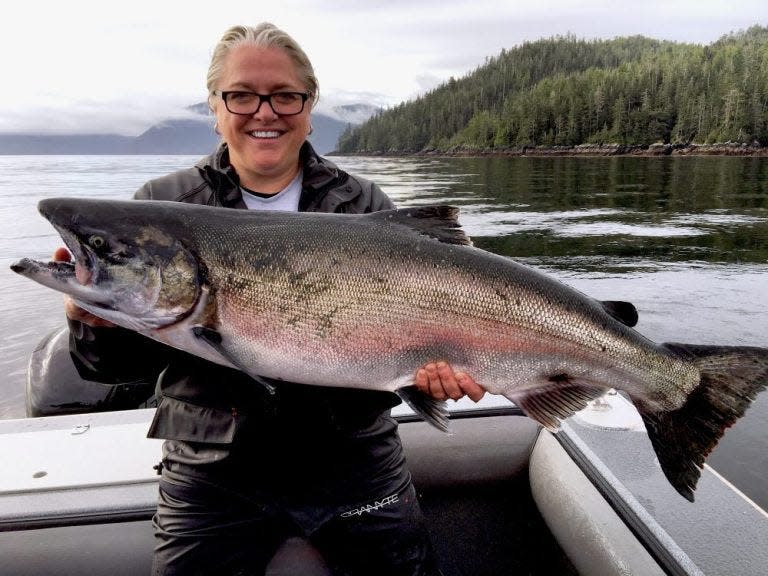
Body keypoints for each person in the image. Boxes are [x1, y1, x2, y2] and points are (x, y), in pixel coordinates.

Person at [57, 23, 485, 576]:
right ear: (215, 106)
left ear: (309, 107)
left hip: (352, 457)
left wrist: (438, 373)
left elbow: (407, 332)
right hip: (212, 469)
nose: (265, 112)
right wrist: (92, 322)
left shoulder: (362, 205)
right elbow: (110, 370)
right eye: (242, 95)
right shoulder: (162, 206)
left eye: (285, 95)